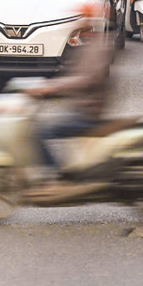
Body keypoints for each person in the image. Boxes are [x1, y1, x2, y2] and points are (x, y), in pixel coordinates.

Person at [23, 27, 114, 191]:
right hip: (81, 106)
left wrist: (50, 87)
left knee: (40, 131)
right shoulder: (88, 47)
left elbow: (86, 80)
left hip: (88, 112)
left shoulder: (97, 49)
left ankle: (55, 176)